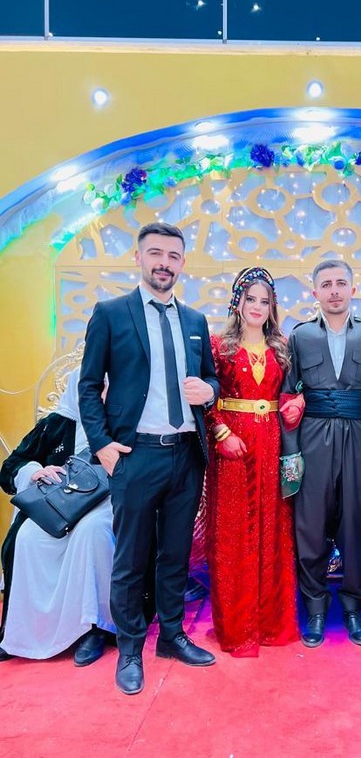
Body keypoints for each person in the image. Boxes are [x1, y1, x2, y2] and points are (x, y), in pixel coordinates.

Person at [79, 222, 220, 695]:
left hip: (186, 454)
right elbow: (88, 387)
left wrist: (209, 391)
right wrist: (102, 444)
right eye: (156, 253)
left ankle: (173, 636)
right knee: (131, 558)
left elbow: (212, 380)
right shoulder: (110, 314)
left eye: (173, 256)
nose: (164, 263)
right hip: (135, 455)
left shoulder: (195, 321)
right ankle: (130, 649)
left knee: (176, 554)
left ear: (183, 263)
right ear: (138, 257)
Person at [282, 259, 361, 648]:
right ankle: (315, 607)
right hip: (312, 435)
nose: (334, 290)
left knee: (355, 525)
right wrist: (292, 452)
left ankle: (353, 607)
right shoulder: (299, 337)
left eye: (340, 283)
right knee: (309, 526)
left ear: (352, 289)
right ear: (315, 292)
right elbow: (287, 397)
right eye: (326, 284)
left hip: (360, 434)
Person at [205, 267, 300, 656]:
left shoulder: (282, 347)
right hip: (233, 444)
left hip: (272, 443)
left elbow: (294, 390)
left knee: (273, 529)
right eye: (250, 299)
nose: (257, 307)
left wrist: (296, 403)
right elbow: (204, 395)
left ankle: (270, 623)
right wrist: (220, 433)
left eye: (265, 301)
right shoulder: (218, 346)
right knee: (234, 533)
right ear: (237, 302)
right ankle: (236, 626)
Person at [0, 368, 114, 665]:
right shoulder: (56, 423)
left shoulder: (122, 422)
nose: (97, 394)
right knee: (27, 537)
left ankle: (95, 627)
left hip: (107, 503)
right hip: (60, 507)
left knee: (92, 532)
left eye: (103, 387)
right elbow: (11, 466)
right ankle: (25, 631)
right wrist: (35, 471)